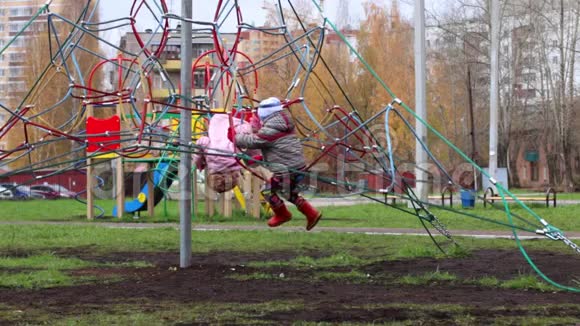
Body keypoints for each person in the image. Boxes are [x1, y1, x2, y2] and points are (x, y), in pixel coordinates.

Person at [228, 97, 322, 231]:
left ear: (264, 115)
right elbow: (279, 147)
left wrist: (235, 137)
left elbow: (254, 141)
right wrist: (264, 158)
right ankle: (311, 213)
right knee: (288, 192)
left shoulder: (271, 129)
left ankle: (282, 214)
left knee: (267, 191)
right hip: (296, 165)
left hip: (286, 169)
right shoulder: (282, 123)